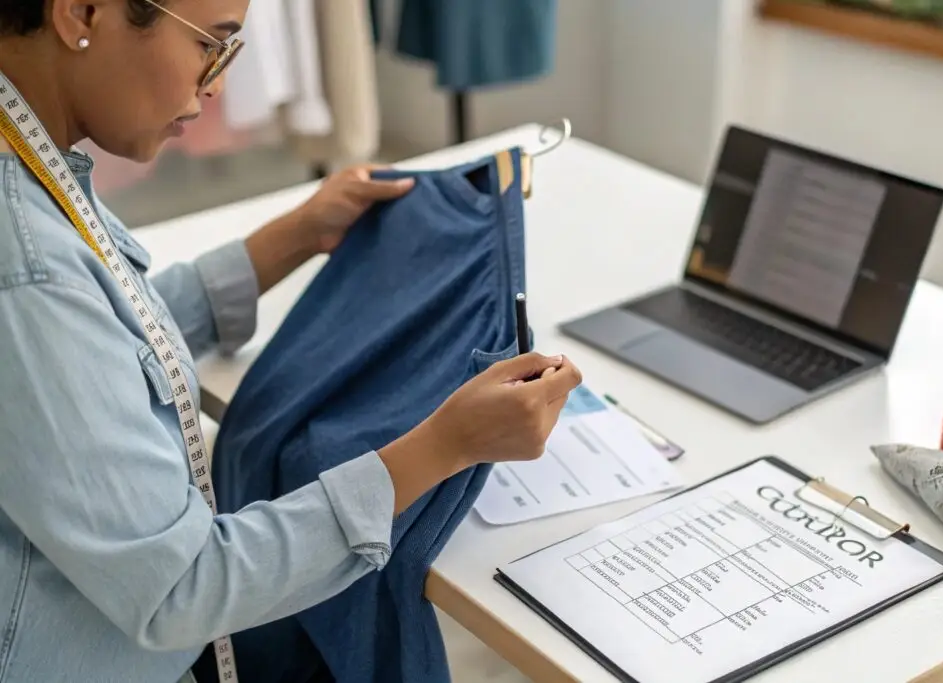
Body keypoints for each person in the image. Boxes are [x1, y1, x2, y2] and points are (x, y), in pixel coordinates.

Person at [0, 1, 583, 682]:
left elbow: (96, 341)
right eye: (210, 45)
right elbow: (180, 588)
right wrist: (444, 445)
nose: (215, 85)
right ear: (82, 13)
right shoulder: (25, 261)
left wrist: (292, 237)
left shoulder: (27, 156)